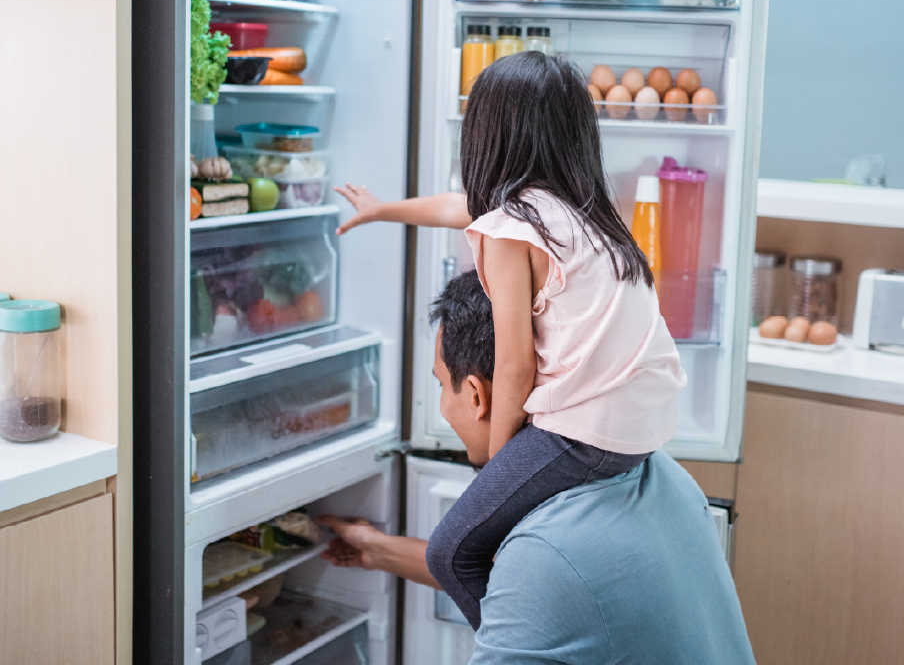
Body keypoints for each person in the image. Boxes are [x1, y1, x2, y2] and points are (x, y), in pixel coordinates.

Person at [333, 52, 687, 629]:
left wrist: (494, 469)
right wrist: (382, 210)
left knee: (454, 551)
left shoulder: (510, 230)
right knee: (490, 533)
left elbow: (517, 366)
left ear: (485, 137)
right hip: (642, 428)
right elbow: (455, 206)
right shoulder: (579, 214)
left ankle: (516, 643)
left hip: (585, 432)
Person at [319, 272, 756, 664]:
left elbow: (535, 580)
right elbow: (534, 583)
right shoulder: (663, 476)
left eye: (439, 384)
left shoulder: (544, 556)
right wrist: (376, 549)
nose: (442, 404)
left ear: (475, 395)